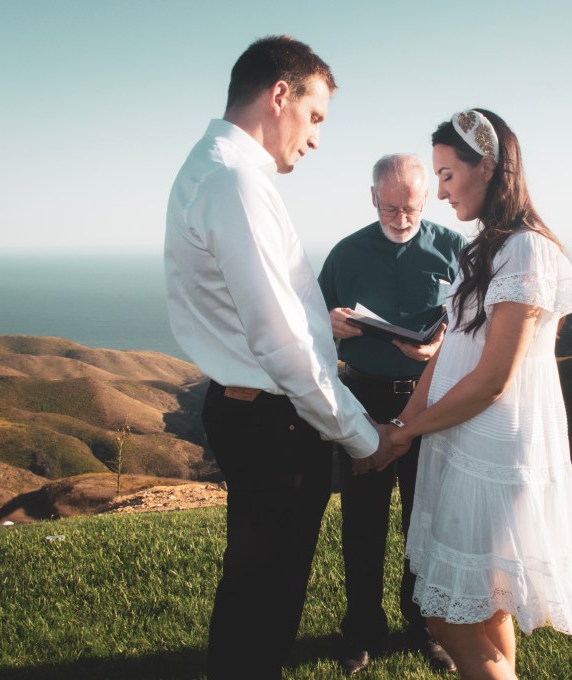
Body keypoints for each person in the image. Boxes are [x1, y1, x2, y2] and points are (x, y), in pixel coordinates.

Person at [164, 36, 393, 679]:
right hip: (274, 422)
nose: (316, 139)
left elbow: (265, 314)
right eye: (315, 117)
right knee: (267, 602)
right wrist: (359, 436)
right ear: (280, 95)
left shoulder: (209, 166)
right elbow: (280, 343)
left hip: (255, 412)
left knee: (253, 593)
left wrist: (322, 326)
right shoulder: (236, 181)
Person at [381, 109, 572, 679]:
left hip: (495, 454)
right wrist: (405, 423)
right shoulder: (483, 250)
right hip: (461, 441)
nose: (443, 192)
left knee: (443, 618)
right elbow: (453, 350)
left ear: (489, 167)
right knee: (489, 600)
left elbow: (495, 378)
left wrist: (407, 431)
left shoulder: (526, 250)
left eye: (448, 175)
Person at [317, 154, 465, 675]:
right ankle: (360, 631)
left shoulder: (454, 250)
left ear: (425, 200)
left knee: (422, 520)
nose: (401, 217)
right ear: (372, 197)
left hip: (427, 402)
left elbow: (475, 331)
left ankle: (422, 626)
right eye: (389, 206)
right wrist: (328, 322)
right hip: (362, 399)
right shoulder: (345, 253)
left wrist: (438, 348)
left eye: (411, 207)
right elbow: (310, 323)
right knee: (362, 519)